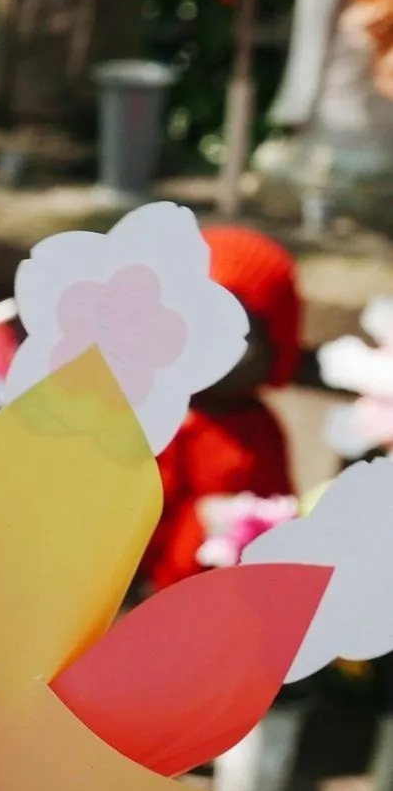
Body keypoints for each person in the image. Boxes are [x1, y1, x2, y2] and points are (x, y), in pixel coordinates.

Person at [143, 225, 302, 590]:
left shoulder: (259, 429)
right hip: (156, 583)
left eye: (242, 332)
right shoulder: (160, 418)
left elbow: (276, 503)